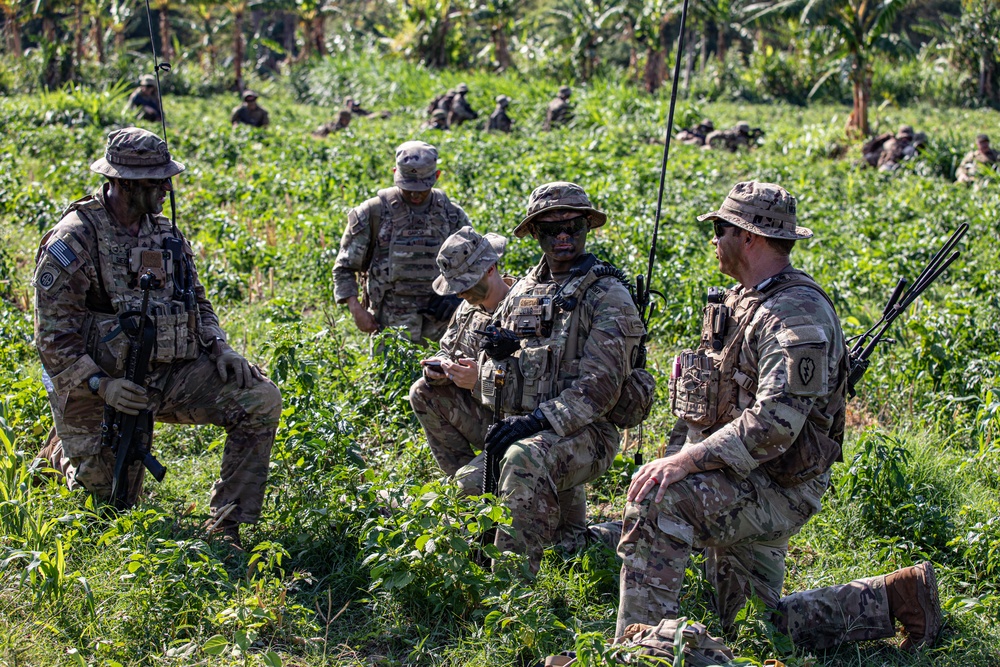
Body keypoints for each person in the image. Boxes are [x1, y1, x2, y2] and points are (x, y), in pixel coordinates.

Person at [615, 181, 942, 652]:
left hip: (779, 484)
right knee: (754, 629)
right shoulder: (746, 298)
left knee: (658, 501)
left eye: (721, 229)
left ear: (749, 237)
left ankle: (639, 654)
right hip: (743, 474)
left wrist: (686, 463)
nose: (714, 239)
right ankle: (896, 599)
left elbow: (774, 425)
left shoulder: (795, 315)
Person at [32, 128, 281, 548]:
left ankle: (226, 524)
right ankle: (62, 451)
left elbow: (196, 301)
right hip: (98, 387)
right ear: (123, 183)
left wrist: (220, 346)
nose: (167, 187)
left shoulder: (166, 233)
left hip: (167, 374)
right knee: (109, 509)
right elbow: (53, 337)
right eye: (155, 181)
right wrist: (101, 385)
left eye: (167, 177)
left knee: (259, 399)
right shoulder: (75, 238)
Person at [454, 182, 648, 571]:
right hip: (530, 429)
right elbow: (497, 380)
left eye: (572, 227)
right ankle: (598, 536)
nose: (562, 237)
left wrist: (537, 420)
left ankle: (510, 590)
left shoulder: (607, 294)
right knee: (465, 488)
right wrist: (500, 355)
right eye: (550, 229)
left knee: (523, 461)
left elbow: (599, 391)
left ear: (586, 228)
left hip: (588, 433)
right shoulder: (524, 288)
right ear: (535, 233)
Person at [333, 141, 471, 344]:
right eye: (408, 187)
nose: (415, 195)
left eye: (422, 188)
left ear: (437, 176)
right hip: (390, 324)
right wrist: (356, 309)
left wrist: (457, 296)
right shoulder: (373, 212)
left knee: (443, 376)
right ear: (394, 172)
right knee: (390, 376)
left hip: (443, 324)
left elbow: (477, 267)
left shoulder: (452, 214)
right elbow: (344, 267)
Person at [409, 227, 512, 477]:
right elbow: (449, 349)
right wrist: (442, 367)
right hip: (485, 415)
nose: (459, 293)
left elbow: (537, 391)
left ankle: (474, 483)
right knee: (422, 391)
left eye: (465, 283)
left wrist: (479, 382)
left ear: (490, 268)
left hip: (520, 424)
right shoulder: (467, 309)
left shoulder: (524, 310)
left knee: (467, 487)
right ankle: (464, 475)